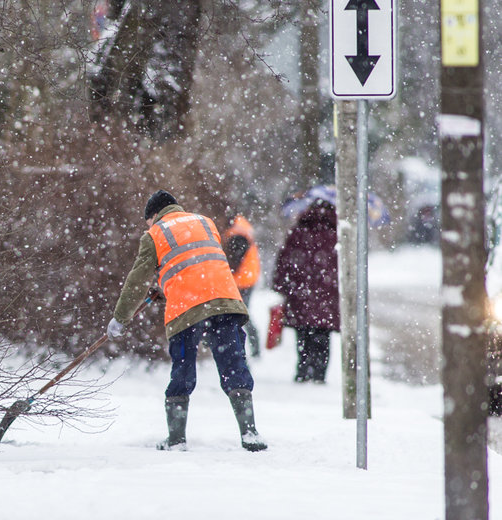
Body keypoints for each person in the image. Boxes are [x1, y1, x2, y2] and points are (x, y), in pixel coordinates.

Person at [107, 190, 268, 452]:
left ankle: (177, 439)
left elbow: (137, 282)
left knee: (183, 369)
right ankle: (250, 433)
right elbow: (197, 263)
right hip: (225, 301)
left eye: (148, 221)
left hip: (186, 310)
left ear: (154, 215)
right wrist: (166, 285)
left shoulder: (154, 234)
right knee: (233, 364)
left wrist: (120, 317)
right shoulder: (206, 223)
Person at [272, 199, 339, 383]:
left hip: (300, 294)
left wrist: (281, 285)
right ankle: (319, 374)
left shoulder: (298, 232)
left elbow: (284, 262)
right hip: (326, 298)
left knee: (303, 335)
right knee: (323, 337)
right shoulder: (337, 236)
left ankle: (303, 369)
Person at [221, 213, 262, 357]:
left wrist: (225, 275)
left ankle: (247, 347)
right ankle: (253, 346)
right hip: (247, 279)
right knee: (243, 314)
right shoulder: (243, 229)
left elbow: (234, 260)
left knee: (239, 315)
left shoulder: (237, 235)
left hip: (240, 281)